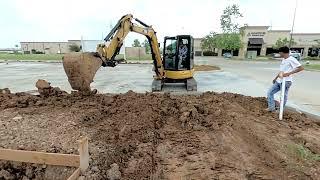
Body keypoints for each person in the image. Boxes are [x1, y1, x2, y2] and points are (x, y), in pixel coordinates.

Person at [266, 46, 304, 112]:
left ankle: (280, 110)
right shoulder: (284, 59)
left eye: (280, 53)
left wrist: (289, 73)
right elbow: (281, 71)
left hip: (286, 81)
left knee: (283, 96)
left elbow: (301, 68)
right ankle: (271, 108)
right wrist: (275, 78)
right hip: (279, 81)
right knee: (270, 92)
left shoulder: (292, 59)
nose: (279, 54)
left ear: (283, 52)